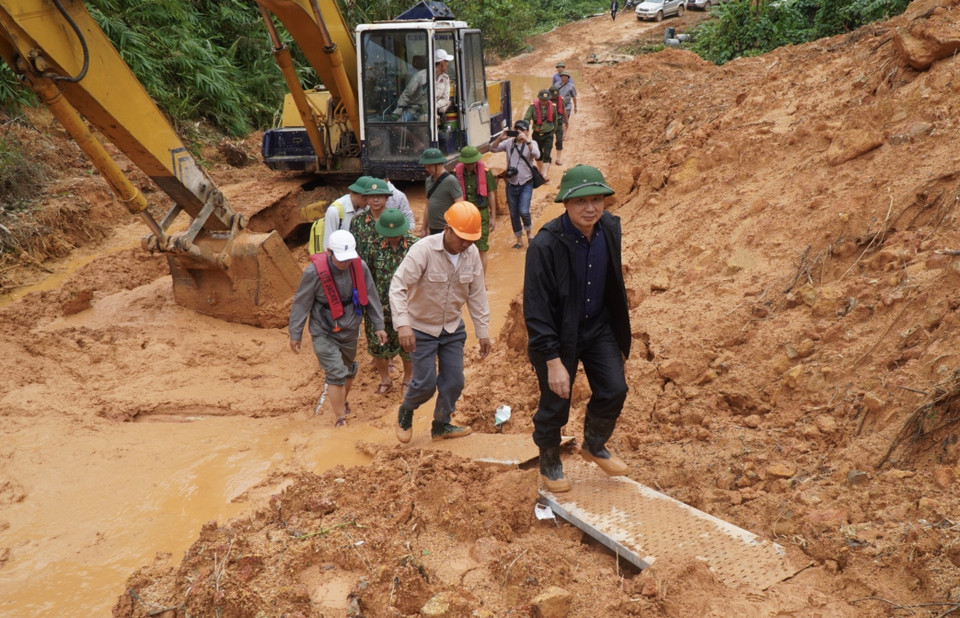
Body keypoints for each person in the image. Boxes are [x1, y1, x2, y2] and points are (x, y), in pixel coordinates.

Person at [523, 165, 631, 493]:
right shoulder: (545, 245)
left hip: (598, 327)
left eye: (597, 199)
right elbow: (536, 308)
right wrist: (553, 360)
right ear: (566, 204)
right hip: (558, 334)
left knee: (615, 388)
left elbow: (614, 284)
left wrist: (619, 338)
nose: (591, 208)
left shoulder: (610, 228)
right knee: (556, 400)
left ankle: (594, 444)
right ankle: (550, 458)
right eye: (581, 201)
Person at [390, 201, 491, 443]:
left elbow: (477, 293)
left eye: (470, 239)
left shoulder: (472, 253)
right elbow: (398, 285)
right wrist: (403, 324)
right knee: (425, 383)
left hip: (452, 327)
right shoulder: (423, 250)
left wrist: (483, 330)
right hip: (421, 327)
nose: (465, 244)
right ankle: (407, 409)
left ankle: (441, 425)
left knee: (455, 380)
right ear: (447, 229)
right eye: (461, 238)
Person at [289, 229, 388, 427]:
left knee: (349, 369)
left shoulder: (359, 267)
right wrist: (295, 333)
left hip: (350, 325)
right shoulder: (313, 273)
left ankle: (342, 400)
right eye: (340, 259)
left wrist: (379, 325)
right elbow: (301, 303)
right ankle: (340, 417)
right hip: (323, 329)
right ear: (329, 252)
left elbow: (371, 296)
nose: (345, 263)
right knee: (336, 371)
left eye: (348, 259)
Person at [349, 178, 403, 395]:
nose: (376, 199)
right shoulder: (358, 223)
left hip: (393, 282)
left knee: (395, 324)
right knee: (373, 325)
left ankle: (391, 358)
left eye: (380, 195)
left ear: (387, 198)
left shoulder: (394, 220)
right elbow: (353, 254)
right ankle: (383, 369)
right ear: (366, 199)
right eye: (371, 196)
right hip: (367, 282)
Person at [365, 208, 419, 397]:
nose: (393, 238)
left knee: (408, 345)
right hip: (379, 308)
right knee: (377, 346)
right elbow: (368, 276)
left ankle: (407, 378)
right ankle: (385, 379)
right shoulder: (373, 246)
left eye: (396, 234)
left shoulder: (415, 246)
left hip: (407, 307)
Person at [491, 119, 540, 249]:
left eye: (522, 130)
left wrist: (527, 141)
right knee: (513, 214)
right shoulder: (508, 143)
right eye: (517, 130)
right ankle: (519, 239)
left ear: (527, 132)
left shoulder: (532, 143)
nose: (519, 133)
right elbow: (493, 149)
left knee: (524, 211)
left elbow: (537, 154)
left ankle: (529, 234)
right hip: (511, 184)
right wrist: (500, 138)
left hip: (526, 183)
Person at [454, 146, 497, 272]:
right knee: (463, 247)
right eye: (467, 163)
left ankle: (482, 282)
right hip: (465, 215)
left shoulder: (486, 172)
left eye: (473, 162)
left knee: (482, 248)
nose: (470, 165)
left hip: (481, 213)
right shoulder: (456, 173)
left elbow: (491, 194)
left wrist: (493, 217)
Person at [396, 48, 454, 122]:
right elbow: (407, 94)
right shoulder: (420, 76)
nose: (447, 64)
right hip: (413, 110)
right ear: (442, 63)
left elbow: (445, 99)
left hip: (430, 113)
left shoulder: (445, 78)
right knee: (398, 124)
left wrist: (433, 106)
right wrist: (397, 112)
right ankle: (411, 134)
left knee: (423, 121)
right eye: (446, 62)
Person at [314, 176, 367, 253]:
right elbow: (327, 243)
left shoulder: (365, 209)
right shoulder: (335, 211)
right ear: (361, 195)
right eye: (368, 198)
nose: (369, 202)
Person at [419, 147, 463, 236]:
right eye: (425, 166)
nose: (426, 168)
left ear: (438, 164)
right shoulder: (428, 180)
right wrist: (424, 227)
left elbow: (460, 206)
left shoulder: (451, 181)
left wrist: (453, 227)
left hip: (446, 228)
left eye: (428, 165)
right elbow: (428, 205)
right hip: (432, 228)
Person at [524, 89, 558, 181]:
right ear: (539, 98)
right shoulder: (532, 107)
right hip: (537, 133)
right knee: (538, 154)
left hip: (548, 133)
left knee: (547, 153)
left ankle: (544, 174)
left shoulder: (553, 107)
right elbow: (527, 118)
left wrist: (553, 132)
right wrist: (525, 129)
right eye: (542, 100)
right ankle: (541, 171)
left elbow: (555, 121)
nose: (544, 102)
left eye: (546, 100)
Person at [369, 166, 416, 230]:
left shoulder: (399, 196)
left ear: (387, 180)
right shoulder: (364, 194)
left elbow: (408, 219)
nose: (376, 199)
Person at [548, 85, 568, 167]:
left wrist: (566, 121)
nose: (555, 97)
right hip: (548, 123)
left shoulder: (561, 100)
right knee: (548, 140)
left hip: (559, 122)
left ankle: (558, 158)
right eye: (553, 95)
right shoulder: (545, 100)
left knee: (559, 140)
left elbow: (563, 110)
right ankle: (547, 157)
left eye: (556, 96)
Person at [557, 72, 578, 137]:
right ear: (561, 77)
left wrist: (575, 106)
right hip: (558, 106)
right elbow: (552, 95)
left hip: (567, 106)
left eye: (566, 76)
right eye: (563, 76)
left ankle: (564, 134)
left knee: (565, 120)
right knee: (558, 120)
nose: (564, 77)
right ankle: (559, 133)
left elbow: (574, 97)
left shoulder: (571, 86)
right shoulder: (556, 85)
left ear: (568, 78)